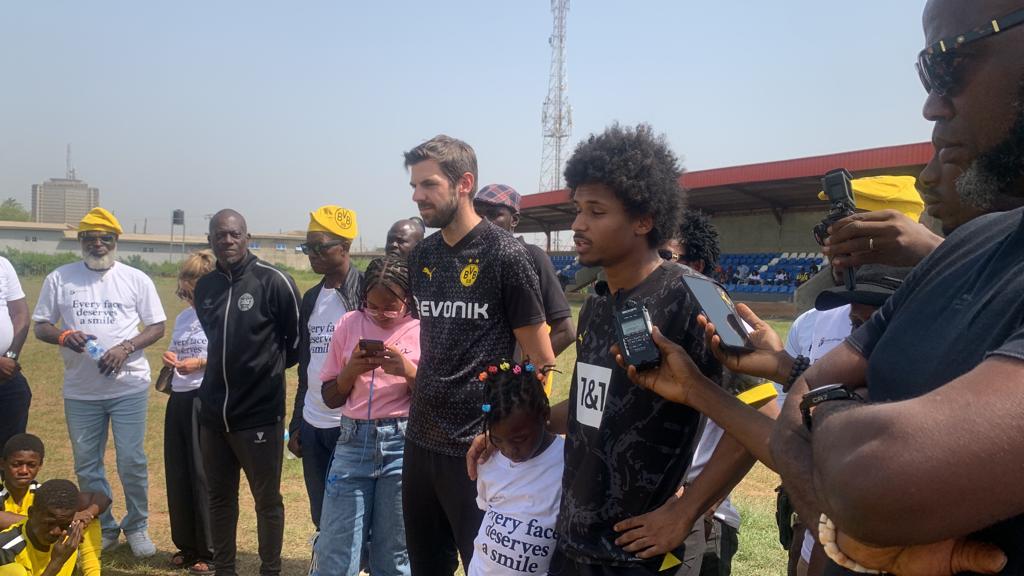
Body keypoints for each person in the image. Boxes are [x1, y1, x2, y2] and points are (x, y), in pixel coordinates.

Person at [771, 1, 1024, 574]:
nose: (931, 103)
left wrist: (829, 409)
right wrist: (847, 533)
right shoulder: (973, 243)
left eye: (945, 65)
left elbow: (876, 478)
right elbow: (800, 398)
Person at [534, 123, 723, 575]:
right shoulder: (597, 305)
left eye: (596, 212)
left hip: (641, 555)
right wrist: (522, 425)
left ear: (644, 219)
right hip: (573, 542)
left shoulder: (698, 297)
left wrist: (686, 510)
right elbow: (591, 405)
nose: (577, 225)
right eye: (577, 209)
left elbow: (762, 417)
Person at [403, 135, 556, 574]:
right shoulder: (423, 256)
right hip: (420, 439)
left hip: (479, 447)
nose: (417, 196)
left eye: (428, 185)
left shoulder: (505, 253)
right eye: (414, 186)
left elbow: (541, 360)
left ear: (464, 183)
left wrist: (501, 430)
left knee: (484, 567)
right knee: (425, 566)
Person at [31, 207, 165, 557]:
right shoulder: (61, 278)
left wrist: (126, 347)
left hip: (128, 386)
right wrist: (64, 336)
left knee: (131, 460)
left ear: (116, 241)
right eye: (90, 237)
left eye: (105, 237)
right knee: (87, 463)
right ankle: (103, 526)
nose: (98, 243)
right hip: (81, 390)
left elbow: (156, 326)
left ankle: (137, 525)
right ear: (80, 241)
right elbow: (41, 324)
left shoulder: (136, 279)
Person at [194, 209, 301, 576]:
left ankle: (270, 569)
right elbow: (215, 342)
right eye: (220, 235)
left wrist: (262, 373)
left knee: (266, 500)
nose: (227, 241)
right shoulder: (205, 287)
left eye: (234, 234)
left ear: (246, 236)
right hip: (212, 415)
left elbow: (296, 343)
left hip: (258, 414)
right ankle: (224, 568)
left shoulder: (273, 281)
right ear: (210, 240)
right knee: (220, 498)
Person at [312, 255, 419, 576]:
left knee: (394, 556)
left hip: (401, 447)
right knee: (336, 551)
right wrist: (349, 372)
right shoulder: (348, 324)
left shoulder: (421, 329)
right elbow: (330, 397)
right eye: (372, 306)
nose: (381, 315)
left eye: (391, 307)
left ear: (408, 300)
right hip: (353, 442)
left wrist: (408, 371)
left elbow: (435, 400)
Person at [287, 205, 362, 544]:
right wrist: (297, 422)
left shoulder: (364, 294)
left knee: (356, 514)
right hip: (315, 422)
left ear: (344, 248)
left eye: (319, 247)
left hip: (352, 424)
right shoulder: (312, 298)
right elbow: (307, 366)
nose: (312, 255)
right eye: (308, 248)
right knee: (322, 513)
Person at [467, 359, 564, 576]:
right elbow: (487, 508)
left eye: (520, 439)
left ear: (545, 414)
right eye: (499, 440)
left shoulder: (566, 461)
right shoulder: (490, 460)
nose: (510, 450)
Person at [161, 250, 217, 575]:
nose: (189, 286)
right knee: (178, 470)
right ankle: (186, 543)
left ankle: (209, 551)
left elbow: (229, 352)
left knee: (202, 473)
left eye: (194, 280)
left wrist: (200, 363)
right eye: (187, 280)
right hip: (179, 398)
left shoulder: (220, 314)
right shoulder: (184, 317)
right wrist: (171, 356)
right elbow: (175, 347)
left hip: (204, 397)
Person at [473, 183, 576, 357]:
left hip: (507, 379)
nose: (483, 222)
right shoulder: (470, 261)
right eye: (478, 214)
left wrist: (521, 374)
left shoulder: (533, 256)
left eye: (493, 215)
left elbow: (565, 332)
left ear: (514, 219)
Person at [0, 435, 107, 576]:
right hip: (18, 550)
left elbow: (100, 498)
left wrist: (86, 515)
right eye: (17, 464)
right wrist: (64, 520)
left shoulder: (44, 492)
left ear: (40, 465)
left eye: (31, 465)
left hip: (39, 539)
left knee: (86, 520)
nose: (24, 471)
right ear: (2, 464)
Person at [0, 480, 87, 576]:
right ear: (31, 513)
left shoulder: (67, 543)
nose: (56, 532)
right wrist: (56, 563)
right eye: (49, 523)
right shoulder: (6, 550)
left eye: (64, 524)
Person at [0, 255, 28, 454]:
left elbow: (20, 315)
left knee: (10, 449)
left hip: (5, 373)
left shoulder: (2, 264)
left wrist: (11, 356)